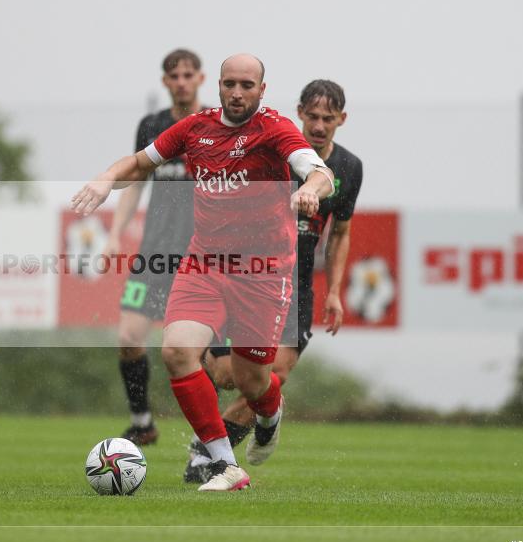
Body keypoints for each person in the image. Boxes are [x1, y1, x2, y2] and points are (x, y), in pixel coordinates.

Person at [72, 54, 335, 491]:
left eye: (246, 85)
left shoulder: (274, 129)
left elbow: (319, 170)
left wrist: (309, 188)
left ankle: (270, 412)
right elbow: (140, 163)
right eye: (229, 83)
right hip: (205, 263)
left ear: (262, 90)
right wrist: (105, 179)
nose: (237, 93)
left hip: (263, 271)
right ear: (218, 85)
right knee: (176, 351)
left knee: (251, 380)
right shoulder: (196, 128)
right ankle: (225, 465)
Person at [184, 80, 363, 482]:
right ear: (298, 112)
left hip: (295, 283)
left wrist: (333, 291)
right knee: (229, 376)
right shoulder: (274, 147)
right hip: (247, 272)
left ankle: (208, 455)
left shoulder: (349, 168)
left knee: (273, 372)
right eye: (312, 116)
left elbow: (341, 232)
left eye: (328, 119)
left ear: (341, 120)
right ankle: (256, 421)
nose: (318, 126)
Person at [104, 49, 204, 446]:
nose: (181, 81)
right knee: (129, 337)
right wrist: (114, 233)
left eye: (188, 74)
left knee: (195, 355)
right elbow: (135, 182)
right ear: (165, 82)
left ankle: (206, 437)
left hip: (200, 254)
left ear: (200, 78)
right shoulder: (152, 125)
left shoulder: (215, 125)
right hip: (154, 253)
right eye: (174, 75)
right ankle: (142, 420)